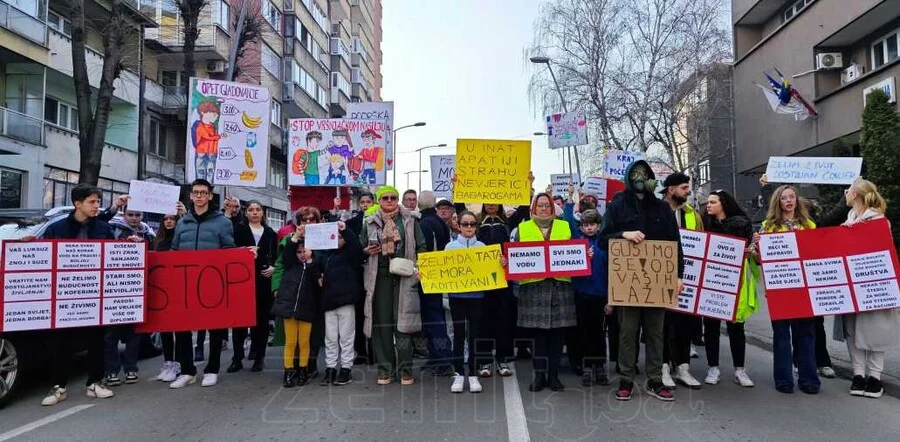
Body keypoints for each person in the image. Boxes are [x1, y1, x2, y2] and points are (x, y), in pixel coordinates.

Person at [599, 160, 684, 402]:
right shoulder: (617, 207)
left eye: (643, 174)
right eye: (635, 173)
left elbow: (675, 244)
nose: (639, 178)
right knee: (627, 332)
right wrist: (622, 234)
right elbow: (603, 239)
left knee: (656, 332)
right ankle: (626, 379)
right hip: (628, 283)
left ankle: (655, 380)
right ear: (628, 177)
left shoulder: (661, 208)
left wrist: (678, 275)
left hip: (656, 282)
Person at [39, 184, 116, 406]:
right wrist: (28, 245)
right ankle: (58, 387)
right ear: (77, 203)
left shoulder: (104, 229)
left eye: (98, 202)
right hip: (64, 296)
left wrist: (128, 246)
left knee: (96, 340)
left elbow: (112, 258)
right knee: (60, 342)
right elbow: (44, 256)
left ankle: (95, 382)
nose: (96, 206)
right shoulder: (56, 229)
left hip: (94, 295)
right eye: (92, 202)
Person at [168, 179, 236, 389]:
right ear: (190, 196)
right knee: (182, 328)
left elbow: (229, 250)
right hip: (186, 282)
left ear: (210, 196)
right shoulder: (182, 222)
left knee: (215, 327)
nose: (199, 196)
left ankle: (212, 369)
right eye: (195, 193)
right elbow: (174, 250)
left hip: (212, 282)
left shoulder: (222, 222)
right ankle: (187, 370)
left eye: (203, 193)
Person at [753, 184, 820, 394]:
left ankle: (809, 378)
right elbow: (759, 261)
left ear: (797, 201)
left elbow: (818, 254)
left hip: (804, 288)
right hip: (779, 288)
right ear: (778, 202)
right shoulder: (768, 226)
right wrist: (757, 247)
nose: (789, 201)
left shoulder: (809, 225)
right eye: (784, 198)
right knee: (781, 335)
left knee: (806, 334)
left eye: (792, 197)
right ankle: (783, 379)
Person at [834, 178, 898, 398]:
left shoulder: (880, 221)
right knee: (852, 332)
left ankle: (875, 377)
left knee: (875, 331)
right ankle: (858, 375)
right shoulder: (849, 219)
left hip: (874, 286)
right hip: (851, 285)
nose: (845, 193)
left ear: (856, 195)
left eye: (848, 190)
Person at [360, 186, 426, 385]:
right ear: (379, 201)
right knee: (382, 324)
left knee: (403, 324)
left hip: (405, 276)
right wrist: (367, 251)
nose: (389, 200)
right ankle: (385, 369)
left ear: (398, 200)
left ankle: (405, 369)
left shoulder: (410, 220)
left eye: (393, 197)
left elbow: (421, 245)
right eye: (385, 198)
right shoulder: (369, 222)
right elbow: (360, 246)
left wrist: (419, 267)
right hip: (379, 276)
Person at [515, 192, 577, 392]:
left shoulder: (565, 226)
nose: (543, 209)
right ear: (534, 208)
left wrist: (587, 254)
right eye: (540, 205)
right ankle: (539, 375)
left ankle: (554, 376)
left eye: (547, 206)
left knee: (557, 336)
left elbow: (577, 249)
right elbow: (515, 254)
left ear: (552, 208)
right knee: (538, 336)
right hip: (534, 288)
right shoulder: (522, 228)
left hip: (560, 287)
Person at [702, 189, 757, 388]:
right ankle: (713, 367)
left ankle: (739, 369)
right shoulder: (705, 223)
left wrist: (750, 250)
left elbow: (751, 250)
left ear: (723, 204)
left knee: (736, 326)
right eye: (707, 202)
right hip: (710, 280)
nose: (708, 205)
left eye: (712, 202)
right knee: (711, 325)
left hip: (735, 281)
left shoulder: (741, 224)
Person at [103, 206, 155, 387]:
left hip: (137, 289)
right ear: (123, 215)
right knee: (112, 333)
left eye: (138, 215)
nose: (134, 218)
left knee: (134, 332)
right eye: (130, 215)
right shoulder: (113, 229)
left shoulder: (147, 233)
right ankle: (111, 371)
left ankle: (131, 368)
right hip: (114, 288)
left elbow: (155, 255)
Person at [661, 172, 703, 390]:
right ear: (671, 189)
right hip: (662, 274)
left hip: (687, 276)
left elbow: (703, 241)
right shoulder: (657, 211)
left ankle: (683, 367)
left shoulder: (692, 214)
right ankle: (664, 367)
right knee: (663, 324)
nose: (688, 192)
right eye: (684, 188)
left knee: (684, 322)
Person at [228, 201, 277, 373]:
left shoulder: (270, 233)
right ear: (246, 213)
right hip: (242, 280)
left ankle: (259, 357)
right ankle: (237, 357)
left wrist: (273, 268)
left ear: (262, 213)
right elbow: (230, 251)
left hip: (263, 280)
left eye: (258, 210)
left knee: (261, 321)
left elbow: (277, 256)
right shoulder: (239, 231)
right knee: (239, 321)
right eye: (251, 210)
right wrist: (245, 251)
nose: (254, 213)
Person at [445, 211, 491, 393]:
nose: (469, 227)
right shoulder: (450, 247)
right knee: (458, 335)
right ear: (459, 226)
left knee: (474, 335)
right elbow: (443, 270)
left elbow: (489, 269)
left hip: (476, 297)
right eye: (465, 224)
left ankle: (472, 374)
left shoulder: (482, 246)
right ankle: (458, 373)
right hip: (457, 296)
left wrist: (499, 262)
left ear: (476, 226)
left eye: (472, 224)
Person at [272, 223, 322, 387]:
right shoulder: (290, 264)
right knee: (291, 342)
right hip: (289, 308)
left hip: (307, 309)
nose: (302, 254)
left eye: (304, 251)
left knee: (304, 341)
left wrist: (310, 260)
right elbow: (287, 252)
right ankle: (288, 372)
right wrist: (296, 236)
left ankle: (303, 371)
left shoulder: (313, 266)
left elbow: (317, 279)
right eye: (299, 252)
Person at [316, 220, 364, 386]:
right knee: (330, 338)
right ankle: (330, 368)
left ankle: (346, 368)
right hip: (329, 301)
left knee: (346, 337)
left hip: (346, 301)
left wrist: (345, 230)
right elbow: (316, 267)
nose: (337, 239)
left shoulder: (350, 254)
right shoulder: (327, 255)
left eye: (340, 237)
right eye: (334, 236)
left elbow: (356, 247)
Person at [475, 203, 517, 377]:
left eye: (494, 201)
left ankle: (503, 359)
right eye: (488, 201)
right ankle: (484, 361)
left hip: (503, 278)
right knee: (483, 320)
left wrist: (527, 187)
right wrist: (457, 187)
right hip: (482, 279)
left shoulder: (507, 223)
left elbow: (522, 208)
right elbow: (460, 207)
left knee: (503, 319)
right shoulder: (476, 223)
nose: (491, 204)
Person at [416, 191, 454, 376]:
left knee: (434, 320)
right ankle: (436, 357)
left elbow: (425, 250)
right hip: (439, 274)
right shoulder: (440, 223)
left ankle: (443, 359)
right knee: (434, 318)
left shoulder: (423, 223)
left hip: (429, 276)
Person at [570, 209, 610, 387]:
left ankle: (599, 365)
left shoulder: (604, 244)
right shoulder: (577, 243)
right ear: (581, 227)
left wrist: (611, 299)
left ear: (598, 226)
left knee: (599, 333)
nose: (588, 228)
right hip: (582, 293)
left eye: (592, 224)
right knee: (584, 331)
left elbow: (612, 272)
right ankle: (587, 365)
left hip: (600, 294)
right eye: (585, 225)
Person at [152, 213, 182, 383]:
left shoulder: (181, 240)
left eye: (172, 218)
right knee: (165, 329)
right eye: (166, 219)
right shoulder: (158, 240)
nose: (169, 221)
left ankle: (177, 363)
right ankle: (168, 362)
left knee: (178, 328)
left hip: (178, 288)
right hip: (162, 289)